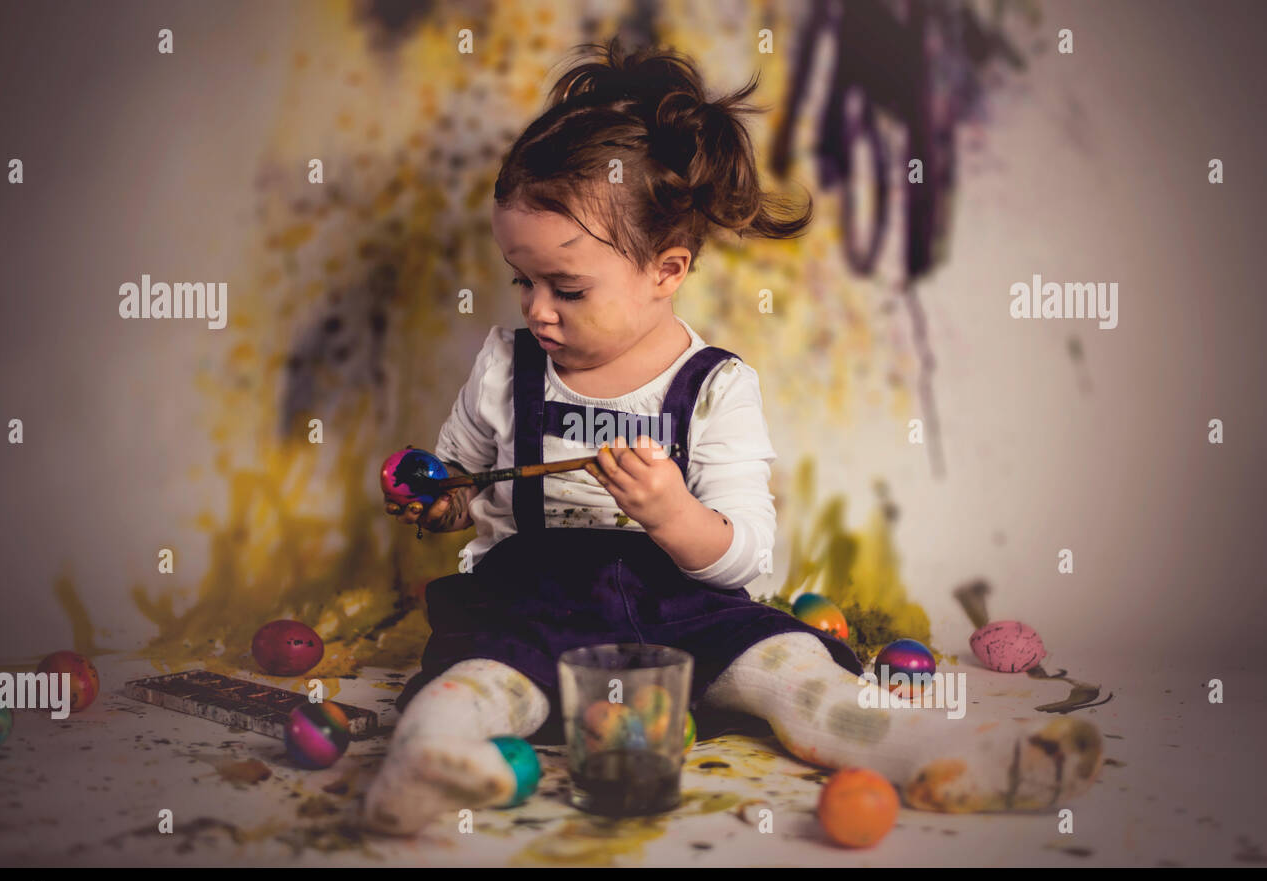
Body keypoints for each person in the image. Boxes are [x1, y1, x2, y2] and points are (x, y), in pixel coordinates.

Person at [364, 38, 1102, 835]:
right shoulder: (505, 366)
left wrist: (671, 511)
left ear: (667, 269)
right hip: (535, 603)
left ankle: (945, 755)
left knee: (797, 673)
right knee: (475, 678)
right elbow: (468, 488)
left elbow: (745, 556)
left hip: (684, 608)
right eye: (522, 279)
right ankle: (424, 761)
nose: (537, 309)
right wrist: (435, 500)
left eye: (567, 287)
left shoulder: (716, 386)